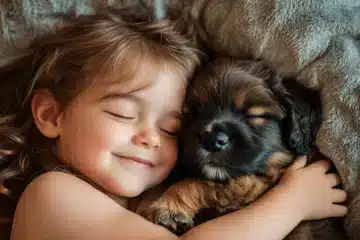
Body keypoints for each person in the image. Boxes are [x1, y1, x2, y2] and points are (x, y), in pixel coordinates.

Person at [0, 8, 347, 240]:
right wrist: (291, 203)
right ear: (50, 114)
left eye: (170, 129)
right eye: (122, 113)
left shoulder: (139, 200)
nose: (151, 138)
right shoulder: (51, 193)